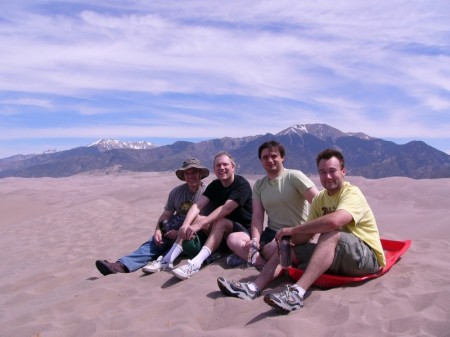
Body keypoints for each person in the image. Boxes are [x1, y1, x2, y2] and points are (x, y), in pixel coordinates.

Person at [217, 148, 386, 314]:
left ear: (343, 171)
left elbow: (335, 221)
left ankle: (296, 293)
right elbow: (308, 234)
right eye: (323, 172)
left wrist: (294, 228)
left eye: (332, 171)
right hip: (338, 256)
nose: (327, 177)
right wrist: (288, 239)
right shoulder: (320, 199)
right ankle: (253, 287)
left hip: (365, 259)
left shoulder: (352, 193)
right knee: (286, 243)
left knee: (330, 232)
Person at [95, 158, 209, 276]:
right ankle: (121, 266)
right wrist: (158, 230)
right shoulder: (176, 192)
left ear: (200, 173)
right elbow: (166, 214)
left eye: (194, 172)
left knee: (169, 243)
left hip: (194, 237)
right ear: (183, 175)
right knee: (154, 243)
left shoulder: (208, 192)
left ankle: (164, 260)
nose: (190, 176)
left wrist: (179, 233)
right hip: (173, 230)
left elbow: (207, 222)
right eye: (187, 173)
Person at [149, 151, 252, 280]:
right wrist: (186, 225)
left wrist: (200, 225)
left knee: (220, 221)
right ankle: (167, 259)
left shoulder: (241, 185)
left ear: (233, 167)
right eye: (218, 165)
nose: (222, 168)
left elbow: (226, 209)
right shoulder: (215, 185)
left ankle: (195, 264)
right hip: (221, 234)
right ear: (214, 169)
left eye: (225, 164)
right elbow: (197, 205)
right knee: (194, 218)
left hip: (243, 234)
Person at [225, 140, 319, 268]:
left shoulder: (294, 176)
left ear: (282, 157)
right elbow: (257, 217)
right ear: (261, 161)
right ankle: (262, 264)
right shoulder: (259, 185)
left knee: (276, 246)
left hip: (295, 232)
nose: (270, 160)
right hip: (271, 234)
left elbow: (318, 202)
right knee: (233, 239)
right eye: (265, 157)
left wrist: (310, 230)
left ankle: (253, 258)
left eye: (274, 156)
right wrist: (254, 241)